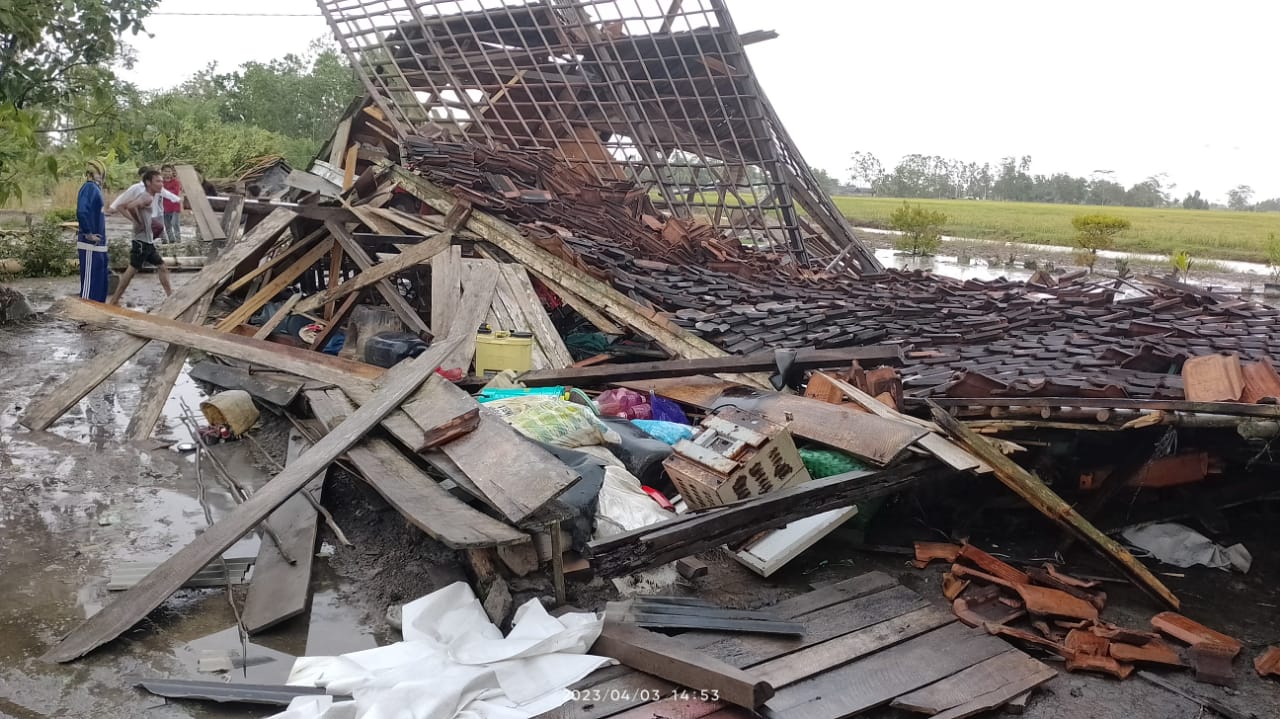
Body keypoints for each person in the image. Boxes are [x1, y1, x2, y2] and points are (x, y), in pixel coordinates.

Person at [107, 169, 173, 304]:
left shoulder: (148, 196)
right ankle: (114, 300)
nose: (161, 184)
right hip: (141, 242)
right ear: (148, 183)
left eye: (162, 181)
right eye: (158, 181)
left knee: (162, 266)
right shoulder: (146, 197)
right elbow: (126, 207)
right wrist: (137, 221)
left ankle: (170, 296)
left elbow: (122, 206)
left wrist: (138, 221)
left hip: (147, 241)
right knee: (131, 270)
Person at [75, 159, 109, 302]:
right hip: (90, 243)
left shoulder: (96, 189)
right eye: (97, 173)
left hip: (99, 244)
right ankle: (84, 314)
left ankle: (98, 312)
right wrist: (88, 233)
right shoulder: (89, 188)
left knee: (99, 282)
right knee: (90, 283)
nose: (100, 177)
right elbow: (82, 211)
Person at [160, 164, 183, 243]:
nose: (167, 173)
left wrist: (164, 192)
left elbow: (175, 193)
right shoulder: (160, 182)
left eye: (169, 171)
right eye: (165, 171)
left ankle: (178, 240)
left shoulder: (176, 182)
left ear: (172, 172)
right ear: (162, 172)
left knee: (175, 223)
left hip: (175, 207)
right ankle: (172, 241)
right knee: (167, 225)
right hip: (164, 207)